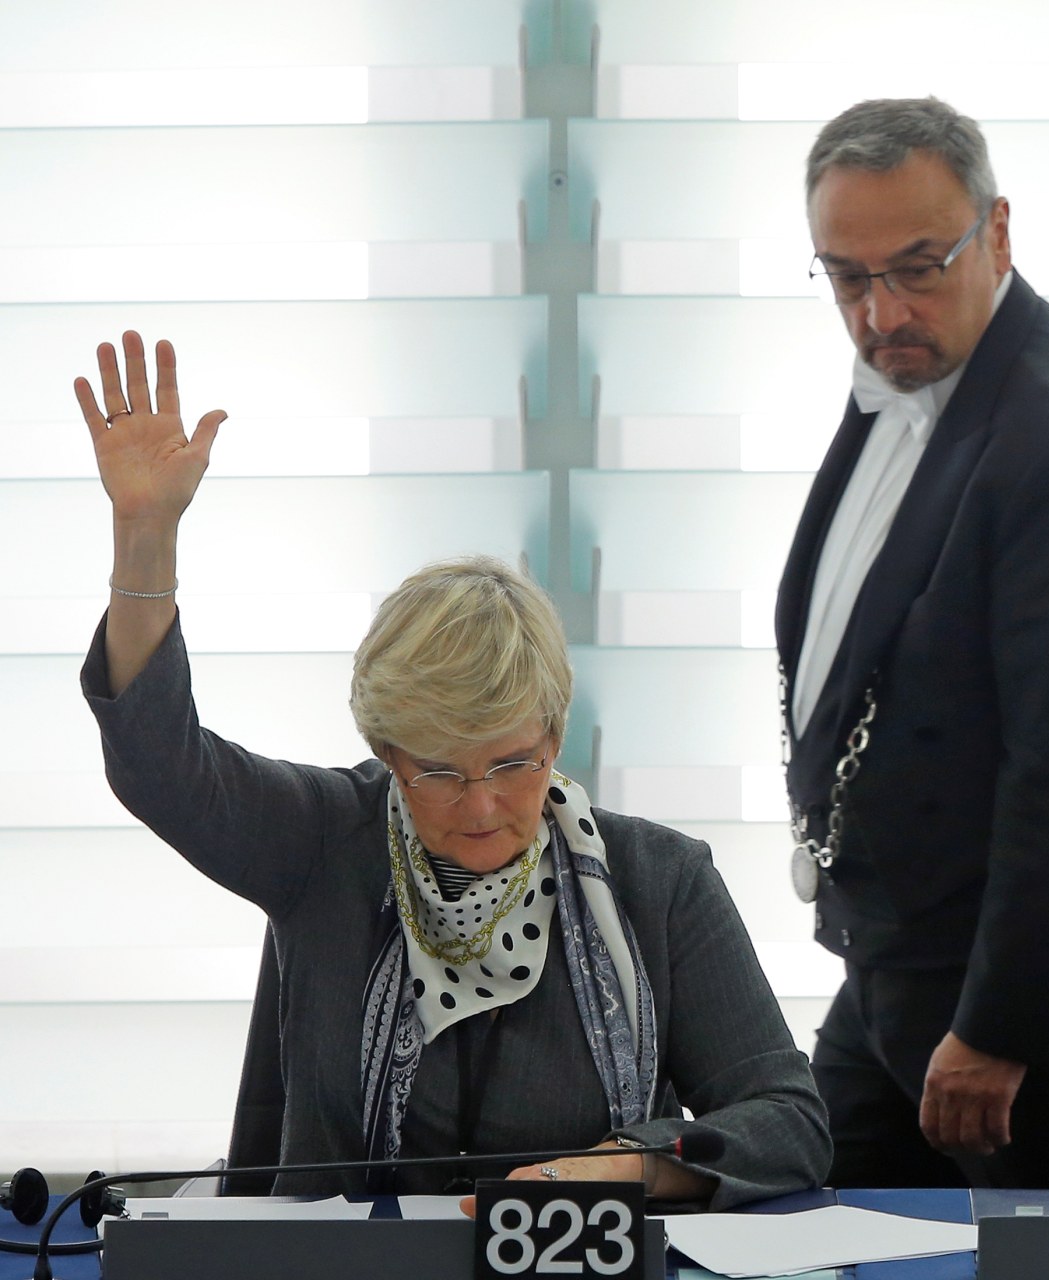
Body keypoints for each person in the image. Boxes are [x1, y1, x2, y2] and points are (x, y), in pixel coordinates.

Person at [73, 332, 831, 1204]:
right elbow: (159, 766)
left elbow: (789, 1120)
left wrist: (638, 1166)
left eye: (513, 764)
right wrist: (144, 535)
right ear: (388, 755)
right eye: (438, 771)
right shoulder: (323, 841)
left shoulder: (659, 883)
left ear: (554, 734)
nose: (481, 805)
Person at [776, 97, 1049, 1189]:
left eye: (917, 266)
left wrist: (1000, 1025)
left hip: (1022, 1020)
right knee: (798, 1221)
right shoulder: (918, 371)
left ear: (997, 233)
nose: (880, 313)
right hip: (899, 969)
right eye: (847, 277)